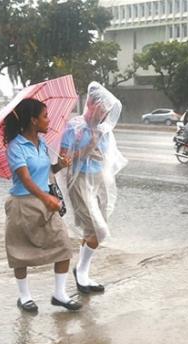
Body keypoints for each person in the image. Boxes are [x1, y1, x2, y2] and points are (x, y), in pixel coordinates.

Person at [4, 98, 81, 313]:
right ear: (33, 120)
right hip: (22, 205)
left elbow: (45, 173)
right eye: (45, 116)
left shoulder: (43, 144)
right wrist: (47, 199)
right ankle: (25, 296)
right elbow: (26, 179)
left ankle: (60, 294)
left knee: (63, 246)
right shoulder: (15, 146)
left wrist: (59, 165)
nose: (49, 121)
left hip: (46, 203)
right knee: (20, 252)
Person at [59, 82, 127, 294]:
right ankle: (81, 271)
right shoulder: (74, 127)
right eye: (101, 108)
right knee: (99, 230)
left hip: (99, 181)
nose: (105, 113)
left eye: (107, 109)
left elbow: (109, 158)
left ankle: (83, 274)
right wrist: (86, 147)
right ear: (90, 104)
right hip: (80, 180)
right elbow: (63, 160)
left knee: (94, 229)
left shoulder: (105, 130)